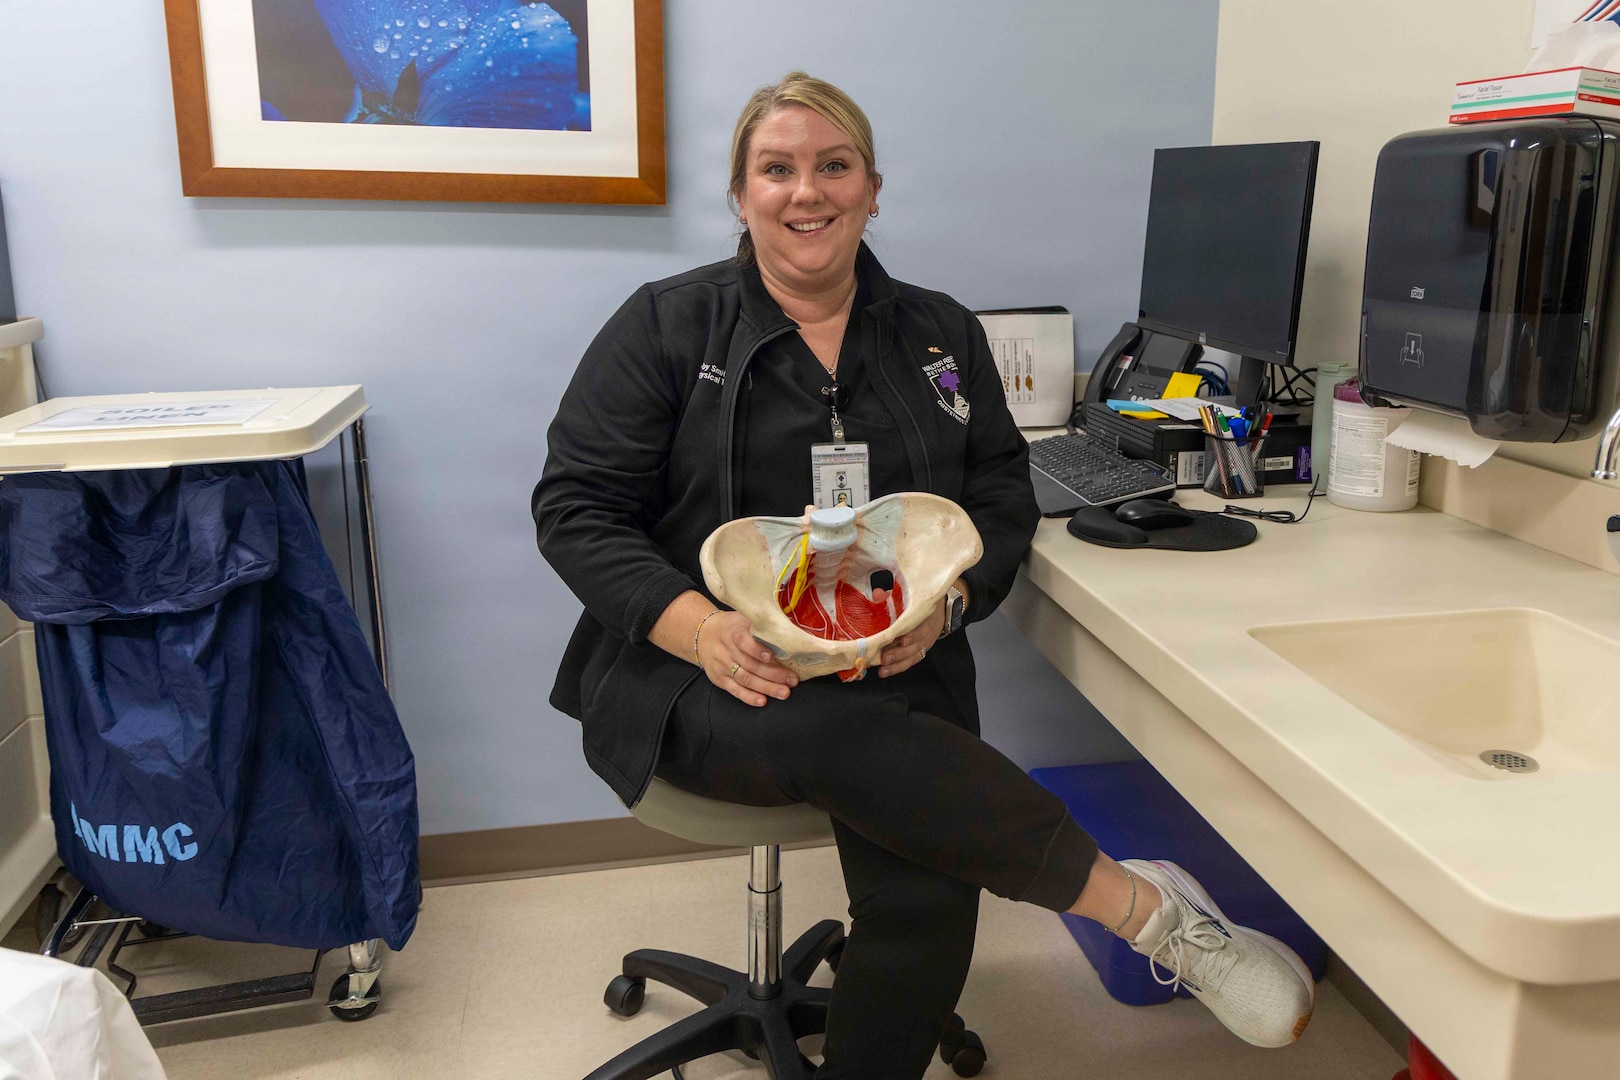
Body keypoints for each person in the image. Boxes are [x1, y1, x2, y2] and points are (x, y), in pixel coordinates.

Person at [533, 72, 1314, 1080]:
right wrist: (696, 627)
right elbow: (575, 510)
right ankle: (1147, 911)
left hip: (897, 662)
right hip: (701, 676)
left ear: (872, 188)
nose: (806, 191)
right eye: (777, 169)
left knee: (924, 892)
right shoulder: (666, 327)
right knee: (855, 740)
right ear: (740, 195)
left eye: (833, 166)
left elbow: (1001, 492)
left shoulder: (938, 333)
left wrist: (946, 609)